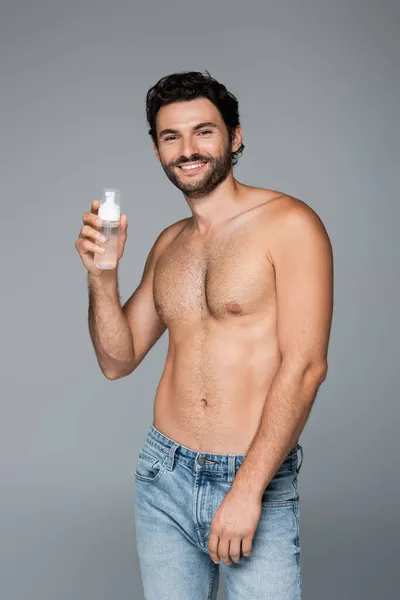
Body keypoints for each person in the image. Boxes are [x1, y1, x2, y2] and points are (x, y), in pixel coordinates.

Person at [75, 70, 333, 599]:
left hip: (252, 475)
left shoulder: (290, 224)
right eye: (171, 137)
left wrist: (247, 490)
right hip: (163, 474)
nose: (187, 149)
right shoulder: (170, 244)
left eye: (204, 131)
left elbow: (305, 368)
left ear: (234, 137)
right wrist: (102, 277)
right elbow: (116, 361)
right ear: (157, 150)